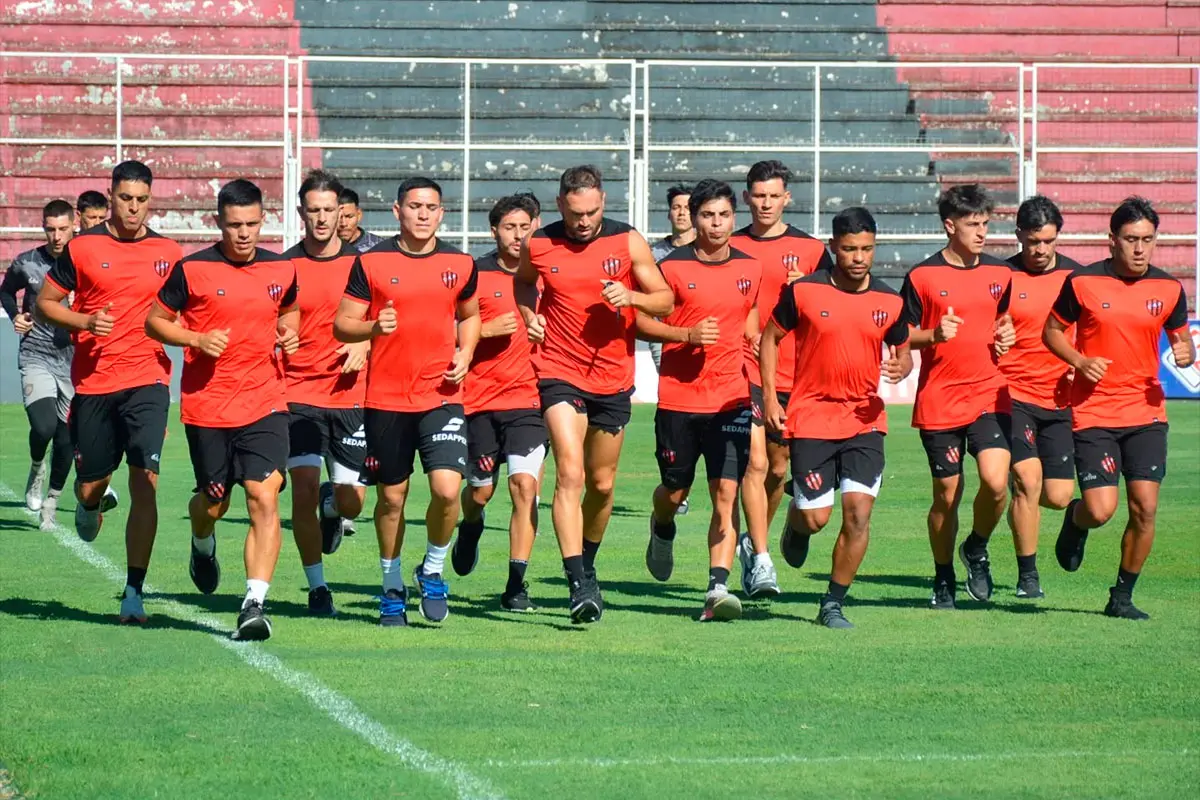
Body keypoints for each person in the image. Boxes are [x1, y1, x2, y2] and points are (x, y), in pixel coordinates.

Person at [515, 164, 673, 624]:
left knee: (602, 486)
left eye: (592, 212)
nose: (584, 221)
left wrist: (632, 297)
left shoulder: (627, 241)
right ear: (560, 205)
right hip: (558, 371)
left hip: (612, 378)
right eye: (575, 213)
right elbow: (523, 281)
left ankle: (587, 562)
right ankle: (577, 583)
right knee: (570, 472)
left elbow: (664, 299)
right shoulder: (539, 243)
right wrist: (529, 315)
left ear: (603, 201)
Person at [145, 179, 299, 641]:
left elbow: (289, 310)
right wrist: (195, 338)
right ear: (218, 222)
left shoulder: (282, 268)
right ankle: (201, 542)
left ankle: (254, 602)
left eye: (251, 223)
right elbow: (154, 322)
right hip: (208, 407)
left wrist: (287, 332)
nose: (244, 233)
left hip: (266, 401)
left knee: (264, 495)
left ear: (263, 220)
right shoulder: (191, 270)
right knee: (213, 504)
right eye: (234, 225)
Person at [37, 160, 181, 624]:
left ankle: (134, 592)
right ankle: (90, 503)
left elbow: (187, 310)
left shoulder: (169, 252)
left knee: (145, 480)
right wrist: (84, 320)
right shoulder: (82, 248)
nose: (133, 208)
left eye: (141, 200)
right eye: (125, 198)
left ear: (150, 200)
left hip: (149, 380)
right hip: (95, 384)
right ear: (111, 195)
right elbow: (44, 304)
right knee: (90, 485)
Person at [335, 176, 481, 627]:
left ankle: (432, 570)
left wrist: (466, 352)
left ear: (442, 213)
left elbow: (470, 315)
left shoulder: (461, 263)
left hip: (442, 396)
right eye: (415, 206)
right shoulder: (371, 262)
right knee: (392, 499)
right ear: (397, 211)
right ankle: (391, 586)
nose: (423, 214)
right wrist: (373, 327)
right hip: (386, 400)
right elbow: (343, 324)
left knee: (447, 490)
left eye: (431, 207)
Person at [1045, 196, 1195, 620]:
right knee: (1101, 510)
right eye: (1131, 239)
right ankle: (1076, 520)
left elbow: (1181, 338)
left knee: (1145, 508)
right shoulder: (1082, 283)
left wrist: (1185, 351)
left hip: (1146, 413)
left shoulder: (1169, 289)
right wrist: (1079, 361)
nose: (1140, 248)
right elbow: (1051, 331)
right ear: (1112, 240)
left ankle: (1121, 597)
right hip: (1094, 413)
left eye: (1148, 239)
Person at [762, 207, 912, 628]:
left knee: (858, 514)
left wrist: (903, 366)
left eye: (866, 249)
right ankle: (796, 521)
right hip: (811, 415)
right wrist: (771, 399)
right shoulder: (804, 292)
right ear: (833, 247)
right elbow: (770, 338)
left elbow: (903, 349)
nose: (858, 257)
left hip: (865, 420)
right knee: (816, 518)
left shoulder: (890, 300)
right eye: (849, 249)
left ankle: (832, 602)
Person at [638, 179, 759, 621]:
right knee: (674, 491)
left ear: (734, 218)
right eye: (707, 215)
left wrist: (755, 348)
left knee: (726, 491)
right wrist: (685, 335)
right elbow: (639, 323)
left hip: (731, 399)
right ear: (694, 218)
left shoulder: (751, 269)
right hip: (680, 398)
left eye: (724, 215)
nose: (716, 223)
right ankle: (661, 526)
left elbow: (751, 319)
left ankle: (717, 588)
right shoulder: (669, 268)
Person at [900, 184, 1017, 610]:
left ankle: (977, 546)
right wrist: (932, 335)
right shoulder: (922, 276)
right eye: (972, 224)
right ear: (950, 226)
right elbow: (901, 334)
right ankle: (943, 575)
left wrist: (1006, 332)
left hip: (989, 394)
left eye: (986, 223)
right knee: (947, 496)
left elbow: (1004, 319)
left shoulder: (1001, 274)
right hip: (940, 400)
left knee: (997, 483)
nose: (982, 232)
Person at [732, 160, 833, 599]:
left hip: (800, 372)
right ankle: (760, 555)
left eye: (774, 196)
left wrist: (809, 286)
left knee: (777, 468)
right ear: (746, 197)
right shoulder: (730, 244)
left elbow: (834, 303)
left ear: (787, 198)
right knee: (756, 464)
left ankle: (763, 537)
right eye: (759, 195)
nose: (766, 203)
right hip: (747, 369)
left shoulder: (810, 250)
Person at [452, 193, 547, 611]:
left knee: (525, 487)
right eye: (510, 227)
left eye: (525, 227)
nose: (518, 235)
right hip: (479, 402)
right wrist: (484, 330)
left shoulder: (548, 275)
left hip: (531, 401)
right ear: (494, 231)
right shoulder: (473, 274)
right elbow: (438, 329)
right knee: (480, 494)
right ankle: (470, 527)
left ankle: (516, 583)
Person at [281, 169, 369, 617]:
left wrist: (366, 343)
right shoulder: (283, 267)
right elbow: (269, 320)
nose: (321, 218)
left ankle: (333, 507)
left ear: (342, 212)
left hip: (352, 395)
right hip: (298, 392)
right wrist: (280, 335)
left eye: (328, 210)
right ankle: (318, 587)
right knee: (302, 489)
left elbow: (390, 321)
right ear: (301, 212)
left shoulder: (365, 265)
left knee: (354, 500)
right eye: (313, 210)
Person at [1000, 195, 1083, 599]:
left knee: (1058, 495)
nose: (1041, 249)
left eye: (1048, 241)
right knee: (1027, 482)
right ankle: (1028, 576)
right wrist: (995, 338)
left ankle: (1077, 518)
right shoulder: (1001, 277)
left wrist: (1080, 362)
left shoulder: (1077, 279)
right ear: (1019, 236)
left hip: (1059, 399)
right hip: (1011, 396)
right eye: (1033, 241)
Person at [1, 200, 79, 528]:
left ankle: (52, 500)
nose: (57, 236)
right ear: (43, 228)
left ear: (74, 225)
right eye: (50, 229)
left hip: (75, 363)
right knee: (44, 427)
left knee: (65, 437)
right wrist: (15, 316)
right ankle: (36, 468)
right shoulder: (28, 263)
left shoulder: (86, 261)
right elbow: (6, 292)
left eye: (63, 229)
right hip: (36, 355)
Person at [338, 187, 385, 254]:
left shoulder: (379, 248)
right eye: (338, 217)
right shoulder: (323, 249)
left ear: (359, 215)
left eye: (349, 217)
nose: (343, 223)